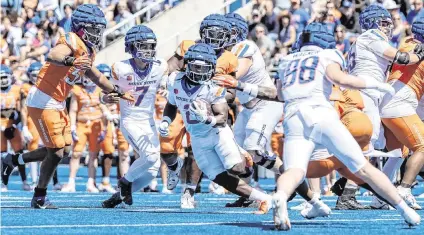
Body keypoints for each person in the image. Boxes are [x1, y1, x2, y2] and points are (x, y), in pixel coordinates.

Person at [216, 22, 421, 230]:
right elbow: (339, 78)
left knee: (295, 171)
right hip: (320, 112)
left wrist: (241, 85)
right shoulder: (327, 55)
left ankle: (280, 195)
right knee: (363, 167)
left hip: (294, 117)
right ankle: (405, 209)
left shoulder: (287, 61)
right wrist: (375, 84)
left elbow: (276, 94)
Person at [1, 4, 132, 209]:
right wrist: (73, 60)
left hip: (57, 100)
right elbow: (53, 55)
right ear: (80, 27)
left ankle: (12, 160)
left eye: (99, 29)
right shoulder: (71, 40)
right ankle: (39, 196)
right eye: (94, 28)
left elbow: (95, 75)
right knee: (56, 152)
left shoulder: (89, 50)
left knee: (65, 149)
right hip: (44, 98)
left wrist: (115, 90)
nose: (97, 33)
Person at [160, 43, 272, 212]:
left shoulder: (213, 86)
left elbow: (222, 118)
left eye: (204, 68)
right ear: (187, 64)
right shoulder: (174, 81)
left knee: (236, 168)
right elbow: (171, 104)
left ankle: (242, 154)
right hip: (197, 138)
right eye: (196, 67)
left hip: (217, 133)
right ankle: (263, 199)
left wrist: (206, 119)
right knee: (219, 177)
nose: (199, 72)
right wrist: (166, 121)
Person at [347, 4, 424, 209]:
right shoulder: (372, 37)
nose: (388, 27)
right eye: (383, 23)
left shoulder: (399, 42)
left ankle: (379, 195)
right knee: (367, 144)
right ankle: (348, 191)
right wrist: (420, 55)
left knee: (394, 150)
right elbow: (403, 59)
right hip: (368, 92)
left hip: (376, 94)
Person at [161, 14, 240, 209]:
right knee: (166, 148)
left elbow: (231, 91)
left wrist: (213, 98)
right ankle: (174, 167)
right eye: (210, 33)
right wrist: (170, 83)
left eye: (218, 34)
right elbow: (170, 67)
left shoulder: (229, 58)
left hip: (207, 107)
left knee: (195, 151)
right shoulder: (188, 45)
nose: (213, 38)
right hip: (182, 101)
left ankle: (189, 191)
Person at [101, 25, 168, 208]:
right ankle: (125, 182)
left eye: (150, 46)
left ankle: (120, 195)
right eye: (142, 46)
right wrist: (105, 97)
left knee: (152, 170)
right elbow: (105, 93)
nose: (148, 50)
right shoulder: (120, 69)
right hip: (130, 119)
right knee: (151, 157)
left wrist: (164, 83)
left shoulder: (159, 66)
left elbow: (169, 71)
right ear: (131, 47)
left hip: (149, 120)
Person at [379, 16, 424, 210]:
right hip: (400, 101)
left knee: (398, 153)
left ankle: (380, 196)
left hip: (389, 99)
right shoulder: (414, 49)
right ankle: (404, 190)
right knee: (422, 147)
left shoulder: (406, 42)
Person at [60, 76, 111, 193]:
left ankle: (91, 182)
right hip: (81, 124)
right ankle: (71, 182)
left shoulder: (100, 91)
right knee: (76, 153)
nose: (88, 79)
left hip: (96, 125)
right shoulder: (77, 90)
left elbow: (104, 110)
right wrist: (72, 126)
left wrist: (104, 129)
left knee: (93, 155)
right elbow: (73, 110)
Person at [0, 65, 31, 192]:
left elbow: (22, 110)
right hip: (0, 127)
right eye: (0, 78)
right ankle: (3, 183)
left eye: (4, 77)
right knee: (2, 156)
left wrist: (21, 126)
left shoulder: (17, 90)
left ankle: (24, 181)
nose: (2, 80)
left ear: (10, 77)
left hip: (13, 126)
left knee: (19, 154)